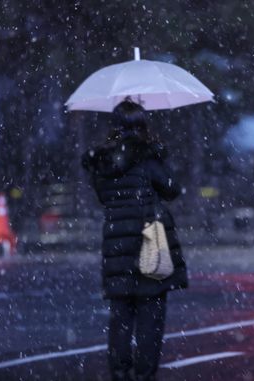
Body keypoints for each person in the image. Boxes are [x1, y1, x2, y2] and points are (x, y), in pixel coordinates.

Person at [82, 101, 188, 381]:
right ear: (142, 125)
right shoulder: (147, 158)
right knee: (150, 318)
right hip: (148, 241)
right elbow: (172, 189)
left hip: (116, 244)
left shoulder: (103, 161)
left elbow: (104, 197)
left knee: (120, 317)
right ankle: (144, 374)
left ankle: (119, 372)